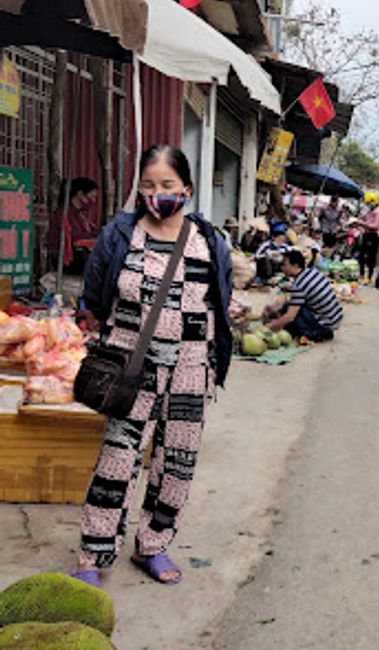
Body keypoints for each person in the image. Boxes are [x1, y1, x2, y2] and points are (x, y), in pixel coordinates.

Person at [72, 145, 234, 588]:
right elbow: (94, 296)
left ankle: (154, 545)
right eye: (147, 185)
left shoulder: (208, 240)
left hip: (190, 370)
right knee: (118, 459)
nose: (157, 194)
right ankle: (94, 552)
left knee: (175, 464)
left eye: (167, 185)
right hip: (131, 368)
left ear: (186, 189)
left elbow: (221, 298)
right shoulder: (120, 235)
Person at [265, 249, 343, 342]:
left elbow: (290, 317)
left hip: (325, 325)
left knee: (289, 318)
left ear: (295, 266)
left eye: (285, 265)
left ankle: (315, 333)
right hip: (335, 319)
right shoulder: (312, 272)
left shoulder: (299, 285)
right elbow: (307, 289)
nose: (282, 268)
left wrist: (268, 327)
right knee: (289, 306)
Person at [46, 177, 100, 271]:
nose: (93, 201)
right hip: (66, 259)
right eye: (91, 197)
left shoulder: (80, 214)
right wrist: (97, 232)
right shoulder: (64, 213)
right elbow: (75, 236)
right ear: (80, 194)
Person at [360, 192, 379, 284]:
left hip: (373, 235)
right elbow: (365, 220)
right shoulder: (369, 210)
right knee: (361, 256)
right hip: (366, 234)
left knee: (371, 257)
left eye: (368, 203)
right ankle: (361, 275)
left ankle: (369, 277)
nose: (367, 205)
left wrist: (363, 224)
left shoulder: (378, 211)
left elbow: (376, 225)